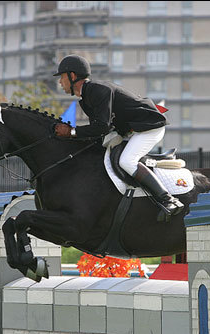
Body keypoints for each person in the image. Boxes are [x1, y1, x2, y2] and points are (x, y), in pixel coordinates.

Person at [52, 54, 184, 220]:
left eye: (62, 77)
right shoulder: (85, 99)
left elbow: (101, 127)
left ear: (72, 76)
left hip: (149, 126)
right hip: (132, 130)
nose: (60, 82)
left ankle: (169, 200)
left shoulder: (98, 90)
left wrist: (71, 132)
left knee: (126, 161)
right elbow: (99, 132)